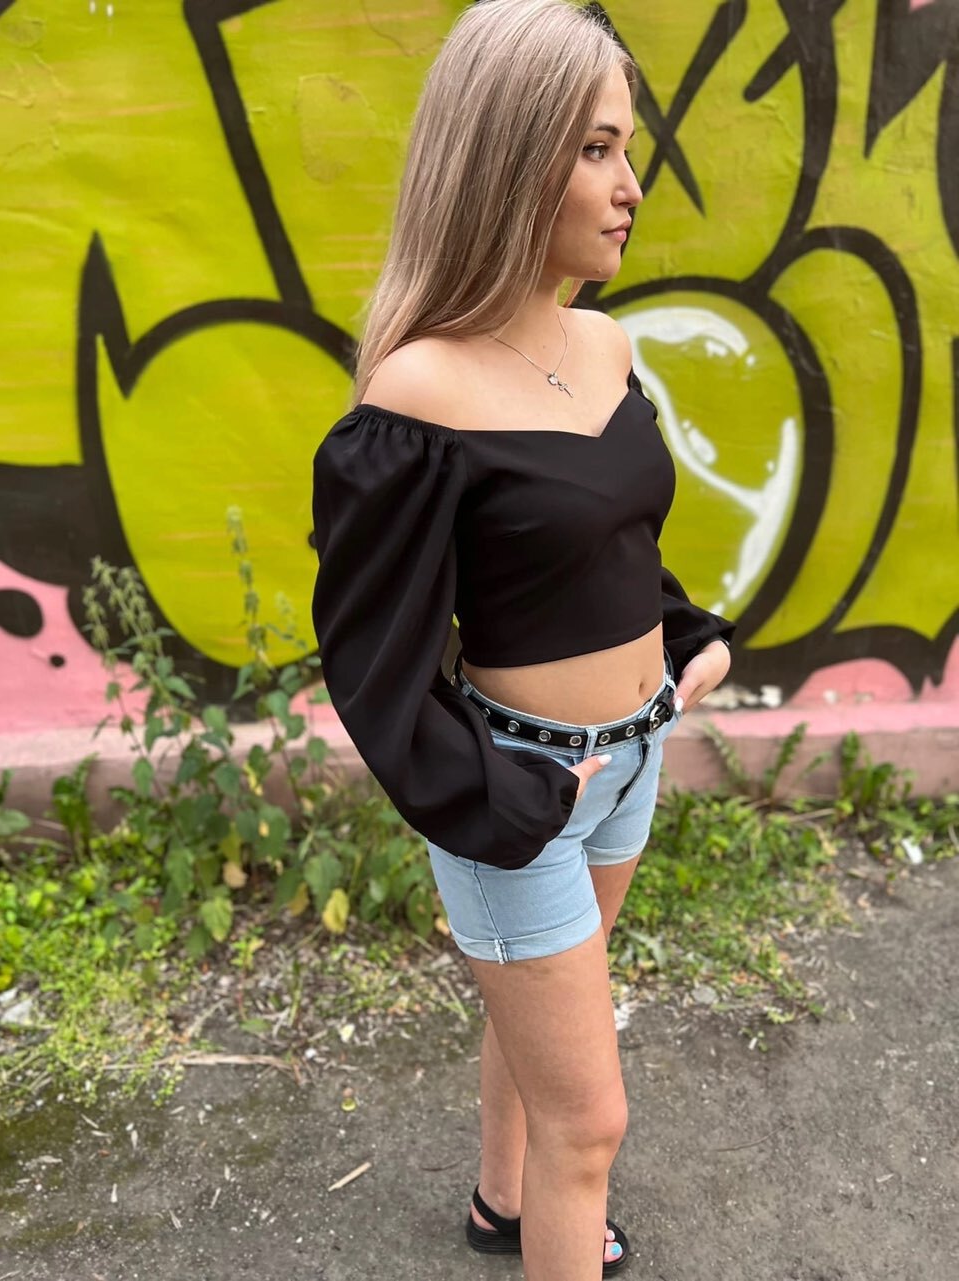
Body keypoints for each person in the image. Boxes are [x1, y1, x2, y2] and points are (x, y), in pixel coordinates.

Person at [311, 2, 734, 1277]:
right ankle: (542, 1202)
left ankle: (504, 1202)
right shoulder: (419, 394)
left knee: (546, 1015)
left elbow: (606, 542)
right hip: (521, 784)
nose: (631, 185)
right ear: (506, 161)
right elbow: (374, 664)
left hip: (632, 758)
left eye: (627, 148)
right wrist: (499, 795)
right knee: (589, 1123)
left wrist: (686, 635)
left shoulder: (601, 344)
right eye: (597, 150)